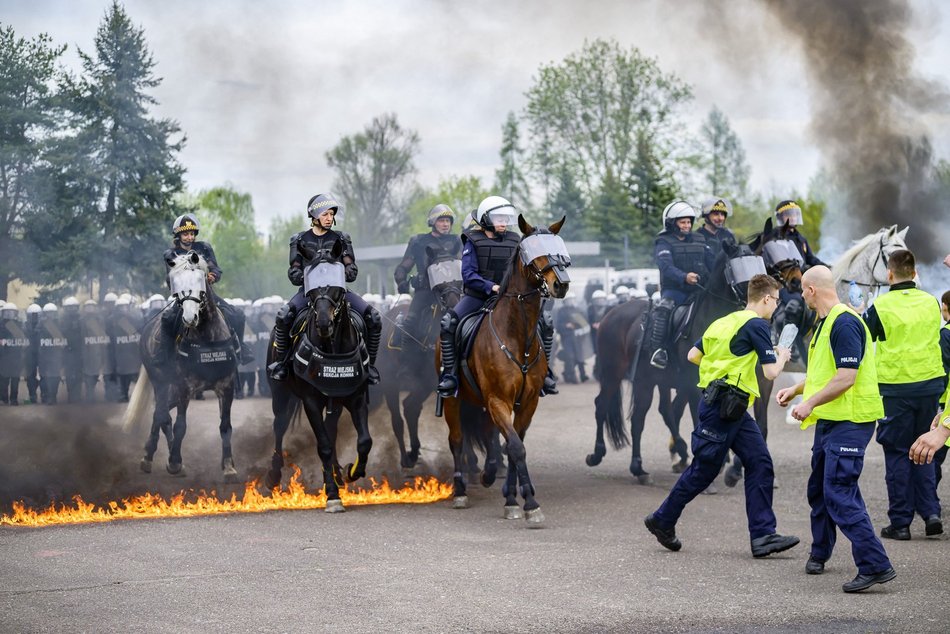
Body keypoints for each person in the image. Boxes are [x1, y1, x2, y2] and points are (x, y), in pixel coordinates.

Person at [644, 274, 799, 558]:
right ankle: (662, 519)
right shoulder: (757, 325)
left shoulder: (725, 321)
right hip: (724, 408)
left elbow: (693, 354)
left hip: (729, 406)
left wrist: (722, 368)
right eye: (775, 301)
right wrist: (782, 356)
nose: (776, 306)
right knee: (703, 471)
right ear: (766, 298)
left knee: (760, 462)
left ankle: (763, 535)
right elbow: (771, 373)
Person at [776, 265, 895, 593]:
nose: (802, 296)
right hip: (832, 420)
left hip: (851, 420)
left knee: (839, 491)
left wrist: (809, 404)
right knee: (821, 489)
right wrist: (798, 391)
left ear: (812, 290)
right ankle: (820, 552)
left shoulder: (843, 322)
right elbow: (823, 374)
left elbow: (847, 376)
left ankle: (875, 565)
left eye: (803, 290)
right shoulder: (826, 324)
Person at [436, 195, 557, 397]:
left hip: (511, 298)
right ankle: (450, 375)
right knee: (449, 323)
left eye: (505, 218)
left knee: (545, 321)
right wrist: (491, 287)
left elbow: (525, 269)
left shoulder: (515, 240)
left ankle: (545, 372)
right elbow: (468, 275)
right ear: (486, 219)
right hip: (478, 296)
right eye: (498, 218)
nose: (503, 222)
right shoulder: (472, 240)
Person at [861, 249, 944, 539]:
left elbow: (863, 337)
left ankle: (900, 523)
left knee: (897, 452)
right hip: (931, 385)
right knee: (925, 448)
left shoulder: (880, 306)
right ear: (915, 271)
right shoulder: (932, 302)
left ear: (890, 274)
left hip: (895, 388)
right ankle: (931, 512)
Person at [268, 193, 381, 383]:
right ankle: (283, 364)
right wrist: (296, 274)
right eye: (325, 214)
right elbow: (294, 268)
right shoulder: (299, 239)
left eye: (331, 214)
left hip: (337, 293)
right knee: (283, 316)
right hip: (308, 293)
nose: (329, 218)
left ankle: (369, 367)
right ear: (314, 216)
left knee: (374, 318)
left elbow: (350, 266)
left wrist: (350, 269)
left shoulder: (341, 238)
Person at [161, 214, 251, 365]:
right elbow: (170, 280)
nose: (189, 237)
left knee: (237, 315)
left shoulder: (204, 247)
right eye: (185, 234)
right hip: (184, 298)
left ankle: (241, 348)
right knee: (167, 319)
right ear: (178, 235)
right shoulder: (170, 254)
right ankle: (166, 355)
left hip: (206, 295)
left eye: (191, 234)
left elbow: (216, 268)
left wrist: (212, 276)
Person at [648, 200, 715, 369]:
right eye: (682, 222)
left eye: (688, 222)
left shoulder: (700, 239)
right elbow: (666, 266)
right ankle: (659, 350)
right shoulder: (663, 241)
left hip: (699, 290)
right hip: (674, 290)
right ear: (672, 223)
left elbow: (712, 263)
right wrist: (684, 277)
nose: (687, 225)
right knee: (664, 309)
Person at [391, 203, 462, 349]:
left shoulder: (457, 241)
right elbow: (403, 266)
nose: (445, 224)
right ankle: (406, 362)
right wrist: (401, 281)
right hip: (425, 291)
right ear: (433, 222)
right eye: (441, 221)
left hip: (451, 291)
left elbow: (464, 264)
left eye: (448, 221)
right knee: (411, 321)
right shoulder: (418, 241)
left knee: (465, 318)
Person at [773, 200, 826, 270]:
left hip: (802, 275)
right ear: (780, 217)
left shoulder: (801, 239)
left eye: (794, 214)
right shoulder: (775, 237)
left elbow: (810, 258)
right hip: (786, 277)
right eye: (788, 215)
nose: (792, 218)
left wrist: (825, 266)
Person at [554, 291, 591, 384]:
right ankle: (571, 376)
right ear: (565, 301)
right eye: (568, 300)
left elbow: (585, 324)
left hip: (578, 338)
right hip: (567, 338)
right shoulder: (561, 311)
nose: (570, 301)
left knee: (580, 357)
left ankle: (582, 375)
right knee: (570, 357)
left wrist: (580, 329)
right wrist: (567, 326)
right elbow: (558, 326)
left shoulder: (579, 310)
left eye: (572, 299)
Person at [0, 302, 28, 405]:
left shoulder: (19, 325)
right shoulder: (1, 325)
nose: (9, 315)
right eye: (7, 313)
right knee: (3, 380)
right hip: (4, 357)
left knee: (15, 380)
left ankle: (13, 399)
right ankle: (5, 398)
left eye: (11, 313)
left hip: (16, 357)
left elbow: (24, 341)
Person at [587, 289, 608, 355]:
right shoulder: (590, 309)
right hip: (594, 332)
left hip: (605, 331)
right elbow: (587, 320)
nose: (599, 301)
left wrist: (602, 325)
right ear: (594, 301)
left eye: (601, 299)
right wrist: (592, 324)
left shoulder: (609, 309)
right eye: (597, 299)